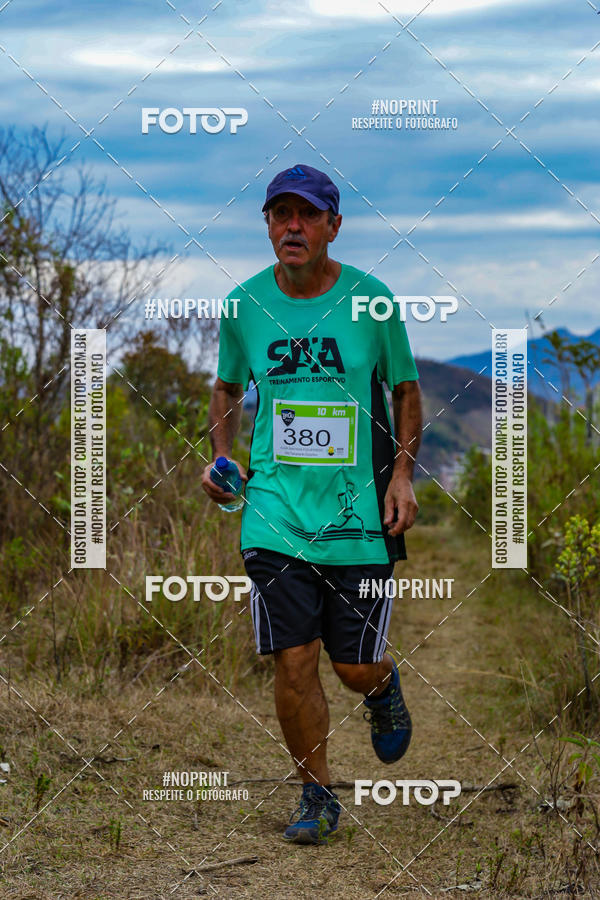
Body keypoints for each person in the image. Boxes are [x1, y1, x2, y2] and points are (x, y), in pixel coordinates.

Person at [202, 163, 422, 845]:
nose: (290, 226)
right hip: (273, 516)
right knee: (293, 661)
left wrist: (402, 476)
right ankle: (317, 794)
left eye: (305, 215)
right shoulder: (242, 306)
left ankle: (381, 689)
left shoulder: (372, 302)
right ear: (267, 225)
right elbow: (225, 388)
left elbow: (407, 392)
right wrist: (223, 458)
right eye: (278, 214)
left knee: (352, 665)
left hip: (358, 519)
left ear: (333, 226)